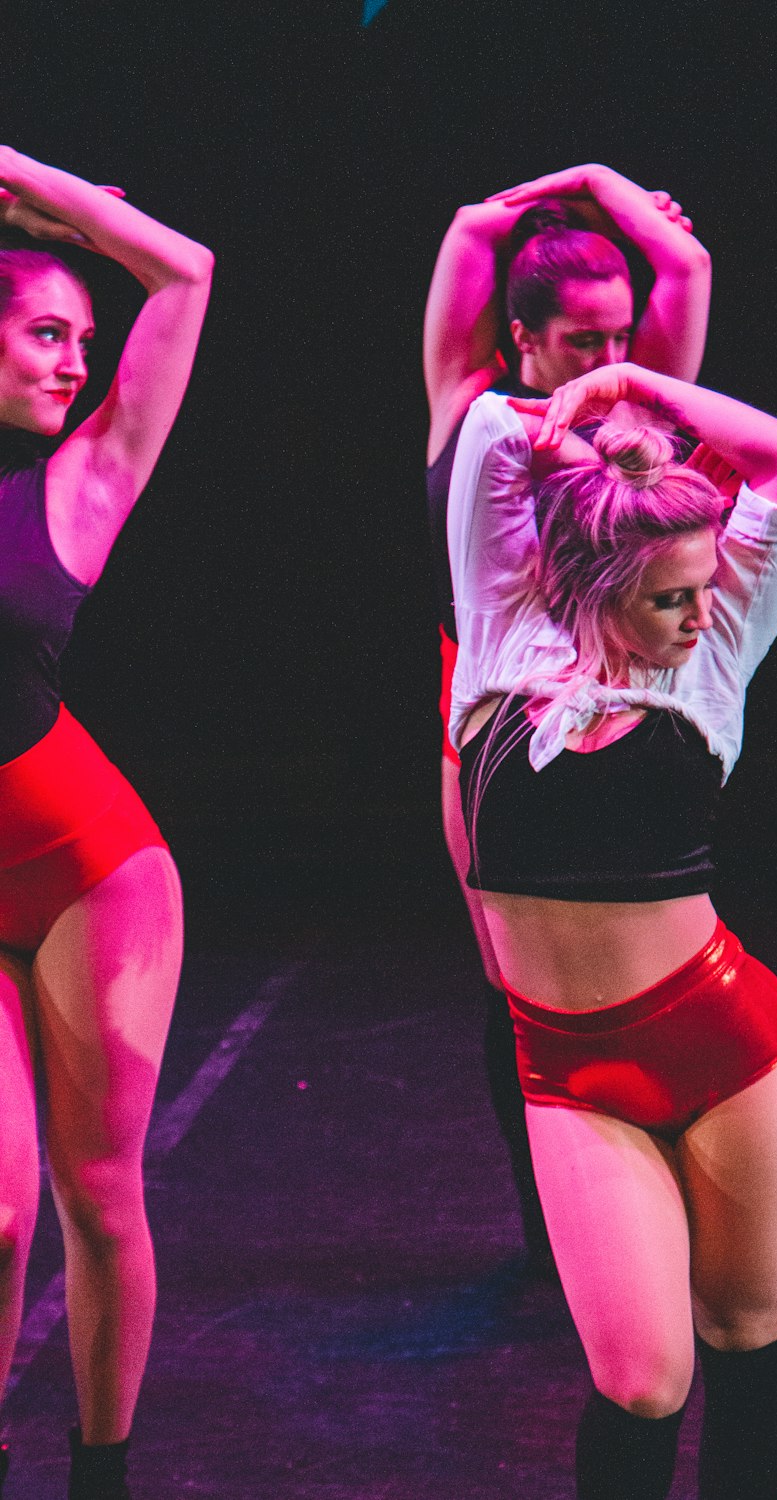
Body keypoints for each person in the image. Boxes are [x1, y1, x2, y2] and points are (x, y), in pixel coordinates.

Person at [447, 360, 777, 1499]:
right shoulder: (501, 634)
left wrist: (627, 378)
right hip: (569, 1071)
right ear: (590, 585)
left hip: (736, 1051)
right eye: (670, 596)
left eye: (707, 589)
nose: (703, 613)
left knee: (745, 1337)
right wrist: (584, 422)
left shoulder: (710, 667)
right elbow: (487, 428)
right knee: (641, 1381)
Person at [423, 164, 712, 1268]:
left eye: (619, 336)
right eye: (582, 341)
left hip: (626, 719)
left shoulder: (638, 415)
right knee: (518, 980)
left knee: (652, 950)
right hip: (489, 726)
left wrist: (606, 191)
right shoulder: (470, 410)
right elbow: (469, 221)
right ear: (521, 337)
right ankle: (554, 1220)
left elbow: (684, 265)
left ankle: (668, 1174)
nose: (609, 361)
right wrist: (569, 195)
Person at [0, 147, 212, 1499]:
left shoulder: (74, 488)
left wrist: (24, 181)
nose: (74, 360)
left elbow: (183, 270)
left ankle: (99, 1476)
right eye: (42, 330)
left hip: (92, 875)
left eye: (84, 337)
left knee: (94, 1191)